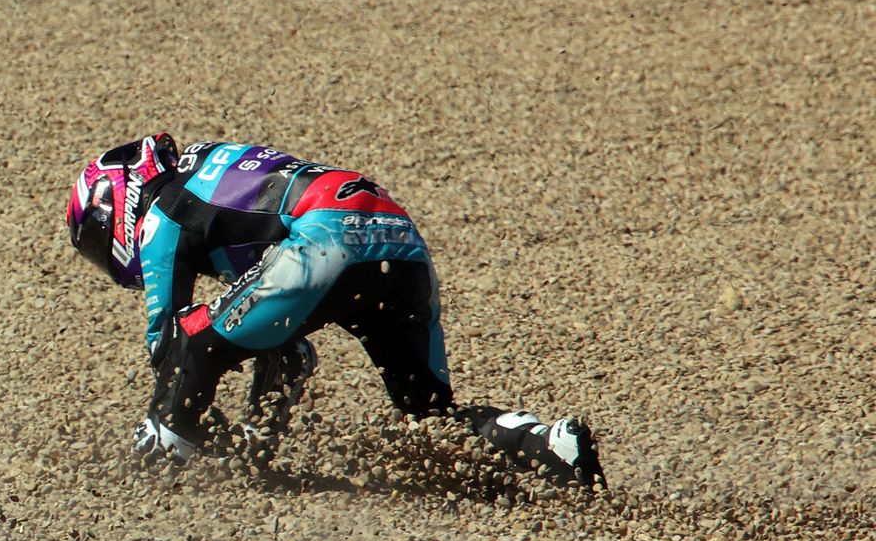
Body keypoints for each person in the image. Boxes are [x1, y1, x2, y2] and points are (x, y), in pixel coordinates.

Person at [66, 133, 605, 488]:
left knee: (193, 339)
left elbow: (170, 345)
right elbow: (287, 347)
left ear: (119, 196)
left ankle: (163, 471)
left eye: (95, 237)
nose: (104, 257)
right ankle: (549, 443)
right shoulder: (210, 174)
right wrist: (256, 439)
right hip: (398, 239)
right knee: (429, 420)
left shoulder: (165, 206)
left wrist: (172, 426)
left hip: (327, 234)